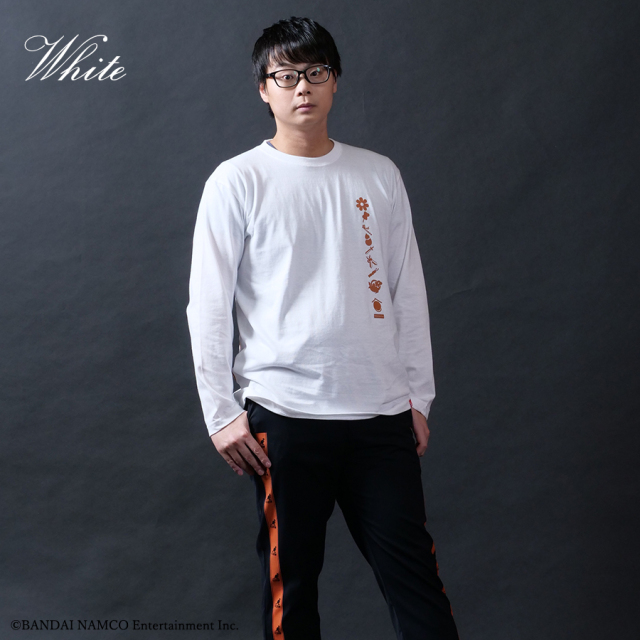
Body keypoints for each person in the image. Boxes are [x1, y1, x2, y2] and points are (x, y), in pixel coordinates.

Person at [186, 16, 460, 640]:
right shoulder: (237, 180)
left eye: (315, 72)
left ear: (335, 81)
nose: (302, 87)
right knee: (293, 594)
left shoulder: (378, 174)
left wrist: (418, 398)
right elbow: (208, 304)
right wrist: (221, 413)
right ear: (264, 88)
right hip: (285, 416)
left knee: (417, 586)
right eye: (286, 75)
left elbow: (407, 292)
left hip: (382, 416)